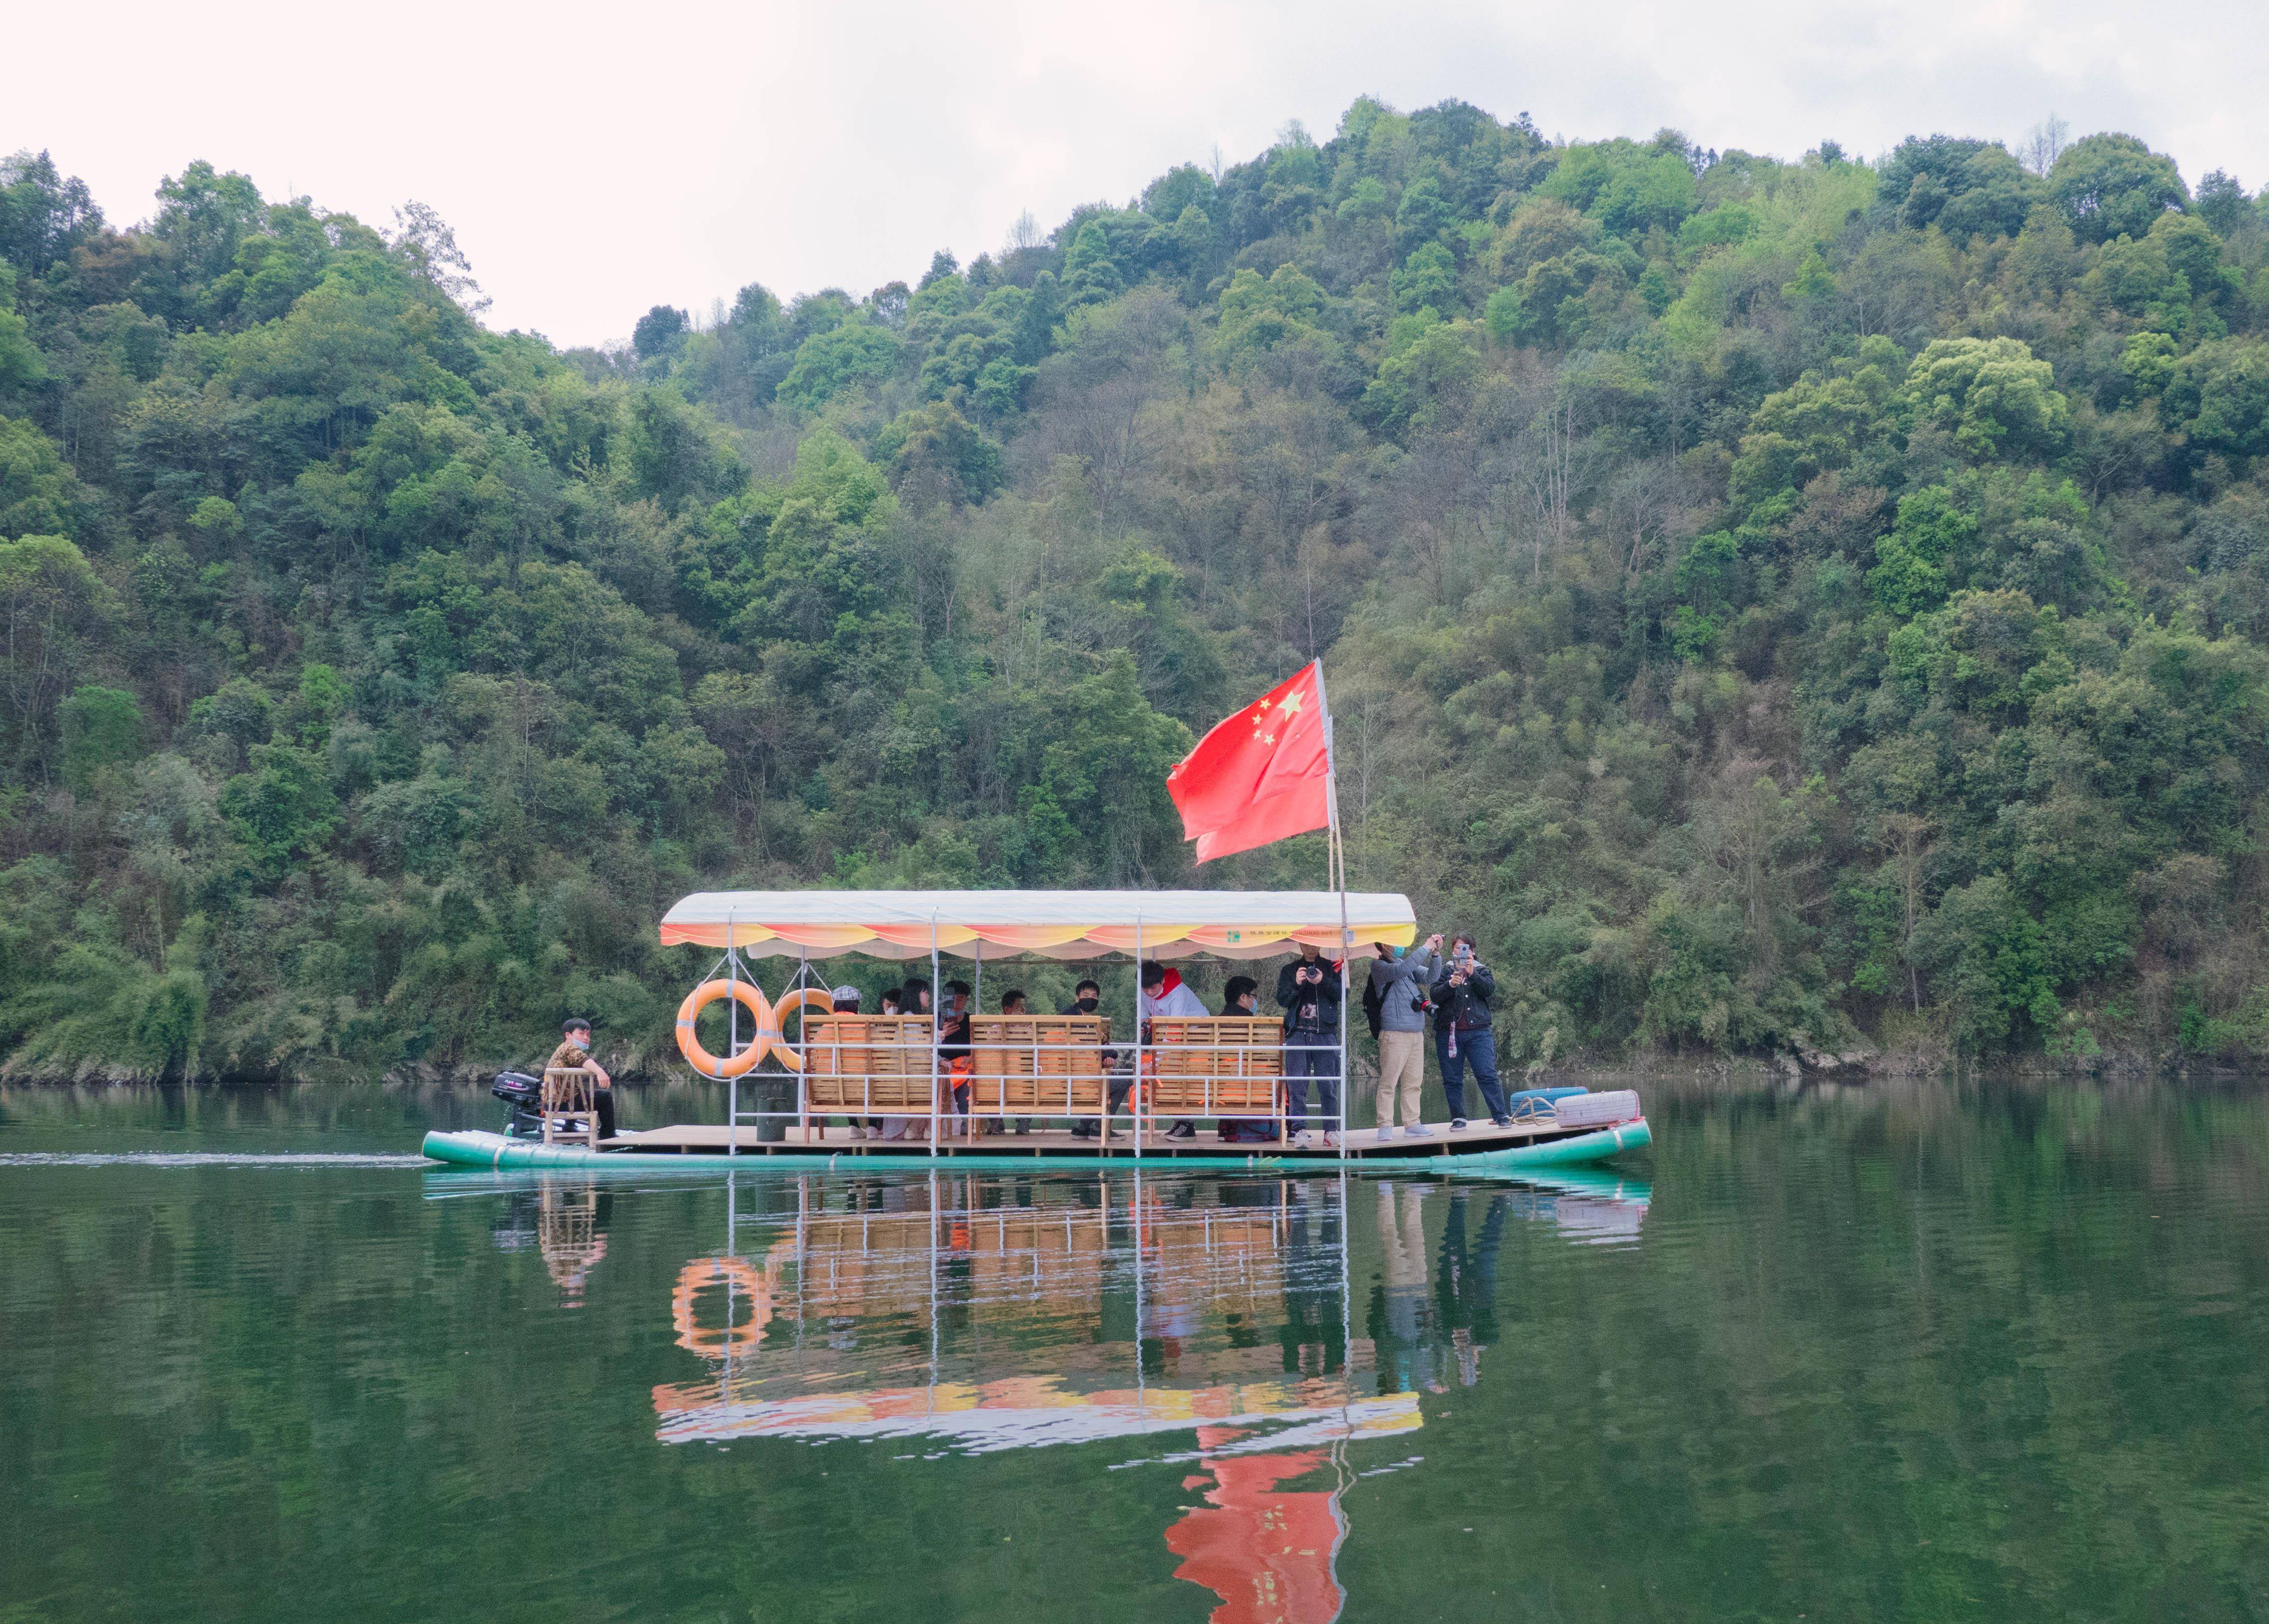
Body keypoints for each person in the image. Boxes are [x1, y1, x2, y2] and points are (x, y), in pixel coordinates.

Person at [1368, 935, 1442, 1140]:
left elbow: (1431, 977)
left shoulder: (1404, 964)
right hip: (1393, 1034)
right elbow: (1401, 971)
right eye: (1395, 941)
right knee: (1389, 1083)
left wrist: (1435, 954)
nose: (1400, 945)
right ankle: (1385, 1125)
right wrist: (1426, 947)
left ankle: (1412, 1123)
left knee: (1414, 1083)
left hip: (1416, 1034)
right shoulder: (1379, 966)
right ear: (1384, 945)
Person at [1430, 934, 1508, 1128]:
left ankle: (1501, 1116)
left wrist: (1473, 974)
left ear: (1472, 952)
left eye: (1465, 948)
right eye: (1457, 947)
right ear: (1452, 950)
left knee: (1487, 1074)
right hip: (1449, 1033)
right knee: (1452, 1079)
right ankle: (1458, 1118)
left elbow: (1489, 990)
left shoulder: (1482, 970)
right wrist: (1450, 985)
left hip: (1479, 1032)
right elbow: (1434, 995)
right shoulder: (1445, 970)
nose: (1460, 951)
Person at [1275, 944, 1343, 1148]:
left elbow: (1343, 995)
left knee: (1328, 1085)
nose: (1310, 948)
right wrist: (1297, 983)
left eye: (1314, 944)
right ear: (1300, 945)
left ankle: (1331, 1131)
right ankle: (1300, 1130)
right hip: (1298, 1032)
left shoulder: (1333, 967)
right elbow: (1282, 999)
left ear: (1320, 945)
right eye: (1306, 944)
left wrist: (1323, 981)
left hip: (1325, 1033)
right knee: (1297, 1084)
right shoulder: (1290, 970)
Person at [1139, 960, 1208, 1140]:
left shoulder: (1179, 993)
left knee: (1184, 1076)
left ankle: (1188, 1125)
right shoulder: (1144, 990)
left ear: (1162, 981)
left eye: (1153, 988)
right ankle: (1180, 1121)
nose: (1149, 993)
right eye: (1145, 989)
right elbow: (1143, 1014)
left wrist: (1157, 1061)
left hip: (1196, 1033)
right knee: (1168, 1075)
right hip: (1168, 1032)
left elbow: (1175, 1032)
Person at [1065, 980, 1126, 1140]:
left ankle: (1083, 1127)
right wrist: (1103, 1056)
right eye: (1086, 995)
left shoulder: (1092, 1021)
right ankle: (1100, 1127)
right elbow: (1083, 1050)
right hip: (1075, 1078)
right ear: (1077, 998)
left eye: (1094, 996)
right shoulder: (1069, 1019)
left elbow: (1100, 1049)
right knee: (1124, 1082)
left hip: (1084, 1076)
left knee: (1108, 1080)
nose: (1090, 999)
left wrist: (1107, 1058)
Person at [545, 1018, 615, 1141]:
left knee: (579, 1093)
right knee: (605, 1097)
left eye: (588, 1035)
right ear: (568, 1035)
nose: (586, 1038)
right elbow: (582, 1059)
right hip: (562, 1104)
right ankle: (608, 1135)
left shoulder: (561, 1049)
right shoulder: (568, 1048)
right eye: (581, 1033)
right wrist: (600, 1071)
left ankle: (569, 1127)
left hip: (554, 1102)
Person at [830, 985, 880, 1140]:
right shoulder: (863, 1025)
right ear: (856, 1005)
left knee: (844, 1081)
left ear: (835, 1005)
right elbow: (876, 1057)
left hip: (831, 1085)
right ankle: (872, 1127)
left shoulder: (826, 1025)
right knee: (874, 1079)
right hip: (862, 1084)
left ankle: (853, 1126)